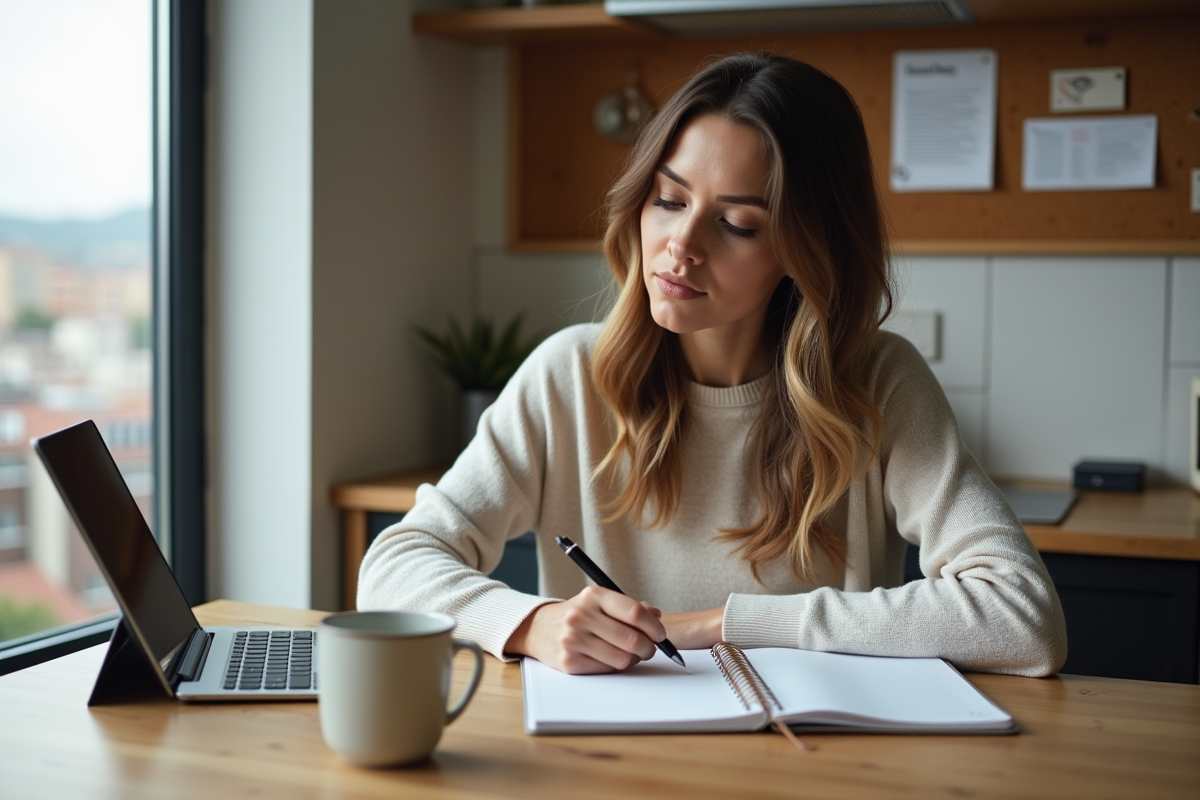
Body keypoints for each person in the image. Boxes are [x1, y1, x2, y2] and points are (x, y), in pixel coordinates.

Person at [358, 52, 1067, 677]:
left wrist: (728, 625)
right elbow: (392, 569)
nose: (680, 245)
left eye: (736, 224)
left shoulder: (877, 381)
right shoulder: (567, 375)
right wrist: (530, 623)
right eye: (668, 200)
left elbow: (1023, 617)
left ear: (804, 248)